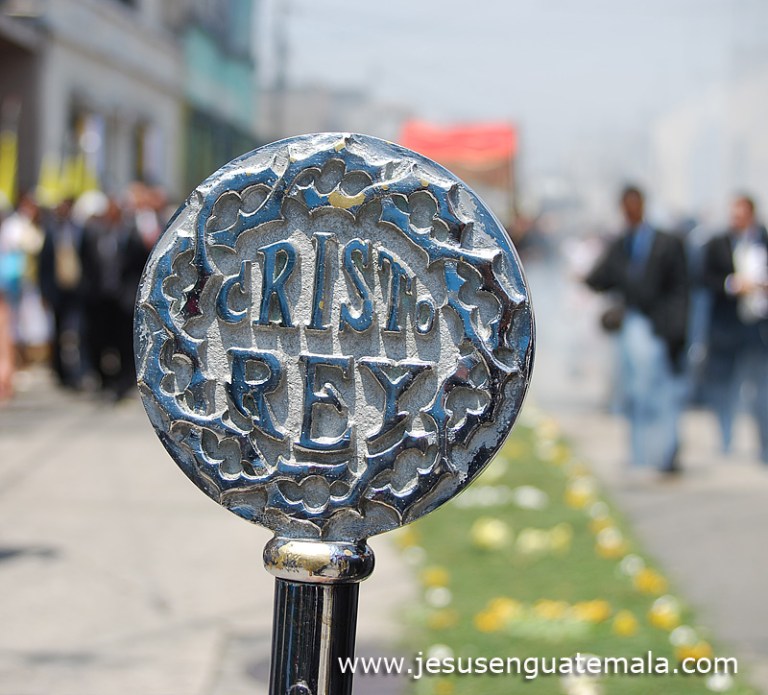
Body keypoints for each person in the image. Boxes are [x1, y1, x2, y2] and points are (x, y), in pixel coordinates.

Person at [586, 185, 689, 475]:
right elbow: (598, 278)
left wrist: (678, 327)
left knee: (659, 391)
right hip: (631, 326)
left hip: (659, 326)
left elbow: (681, 289)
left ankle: (664, 452)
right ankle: (642, 454)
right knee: (634, 393)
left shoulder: (667, 242)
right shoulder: (622, 244)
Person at [702, 194, 768, 463]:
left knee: (761, 388)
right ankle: (726, 440)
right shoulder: (718, 243)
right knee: (724, 385)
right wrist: (732, 284)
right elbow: (705, 278)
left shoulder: (763, 240)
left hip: (759, 327)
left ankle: (764, 445)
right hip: (728, 325)